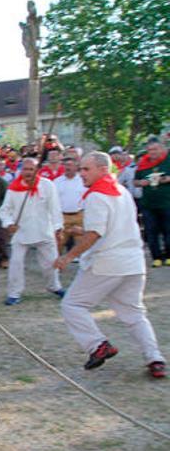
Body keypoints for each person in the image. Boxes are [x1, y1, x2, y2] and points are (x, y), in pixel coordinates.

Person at [55, 151, 165, 378]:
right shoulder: (122, 191)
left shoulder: (96, 196)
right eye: (81, 168)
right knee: (134, 314)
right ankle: (155, 358)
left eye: (86, 169)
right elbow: (111, 227)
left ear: (103, 169)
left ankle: (97, 345)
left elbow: (96, 233)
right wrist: (82, 231)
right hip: (133, 262)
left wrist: (68, 256)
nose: (81, 173)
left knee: (72, 305)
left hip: (108, 263)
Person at [0, 158, 64, 306]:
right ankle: (14, 293)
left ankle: (54, 286)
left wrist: (58, 227)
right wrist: (9, 224)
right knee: (16, 264)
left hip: (44, 231)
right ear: (21, 171)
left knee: (50, 264)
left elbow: (55, 208)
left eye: (31, 169)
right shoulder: (13, 188)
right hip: (21, 233)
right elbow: (4, 210)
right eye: (25, 169)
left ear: (37, 170)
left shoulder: (48, 185)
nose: (28, 172)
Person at [132, 139, 170, 267]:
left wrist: (165, 179)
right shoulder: (143, 163)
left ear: (162, 149)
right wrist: (140, 183)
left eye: (155, 149)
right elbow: (135, 181)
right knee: (151, 231)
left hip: (167, 202)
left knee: (168, 230)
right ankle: (156, 257)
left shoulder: (168, 159)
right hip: (148, 204)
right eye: (149, 150)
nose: (152, 152)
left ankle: (169, 255)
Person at [53, 155, 87, 251]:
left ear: (76, 167)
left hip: (79, 215)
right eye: (66, 165)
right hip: (63, 216)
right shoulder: (57, 182)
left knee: (82, 244)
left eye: (71, 165)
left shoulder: (82, 180)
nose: (68, 167)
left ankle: (83, 265)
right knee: (59, 242)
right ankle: (56, 265)